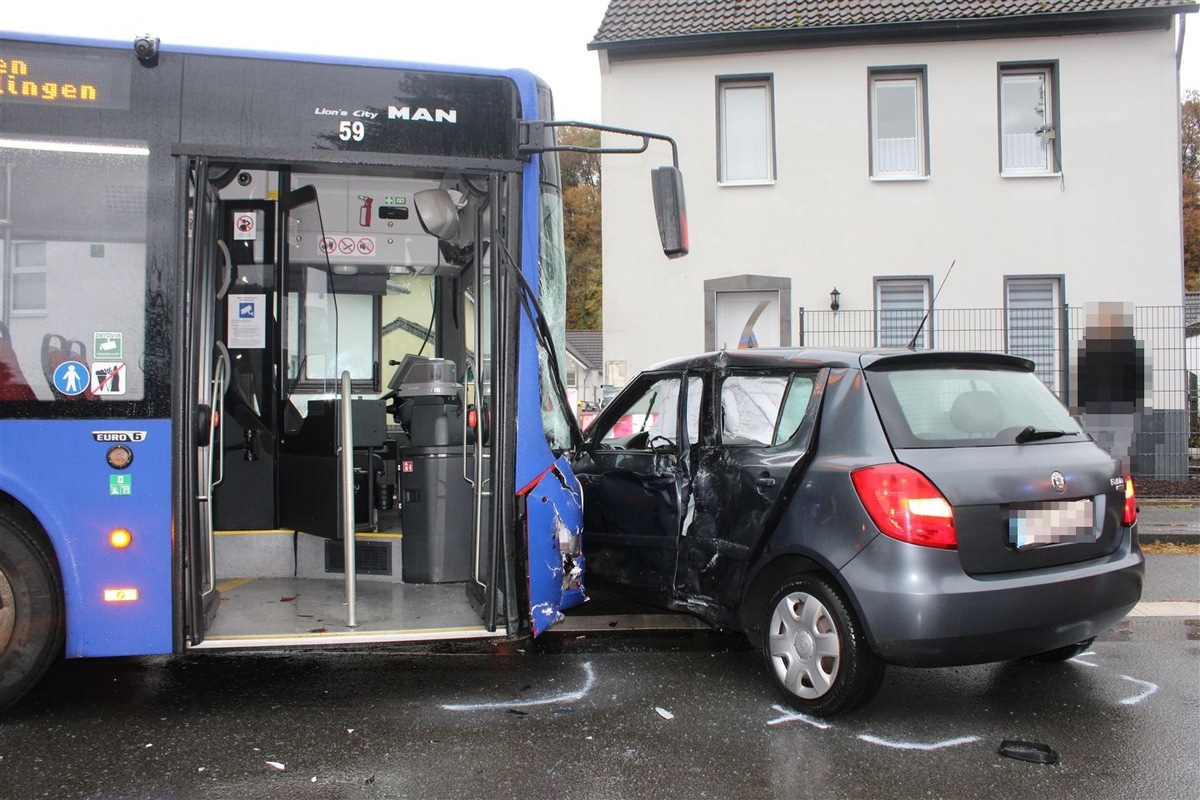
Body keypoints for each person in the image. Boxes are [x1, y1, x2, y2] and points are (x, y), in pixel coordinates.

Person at [1074, 301, 1150, 473]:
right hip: (1093, 410)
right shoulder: (1088, 348)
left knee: (1121, 456)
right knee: (1094, 454)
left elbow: (1138, 380)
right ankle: (1099, 484)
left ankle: (1120, 487)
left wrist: (1135, 409)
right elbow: (1081, 378)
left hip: (1122, 411)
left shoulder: (1132, 348)